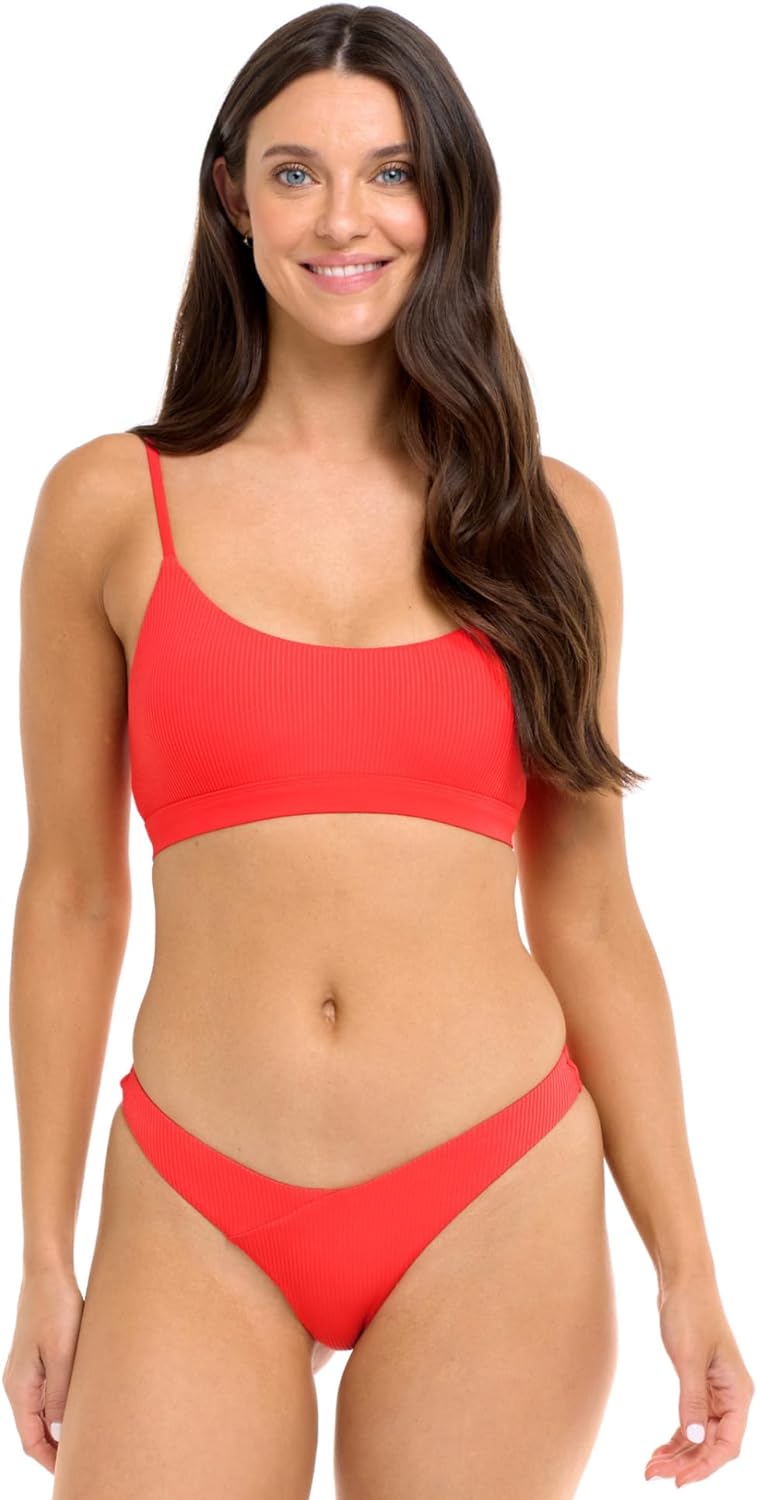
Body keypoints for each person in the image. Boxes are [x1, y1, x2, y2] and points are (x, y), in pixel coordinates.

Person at [3, 5, 753, 1496]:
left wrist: (688, 1264)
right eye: (295, 173)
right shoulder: (108, 503)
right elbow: (74, 895)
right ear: (233, 197)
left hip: (494, 1188)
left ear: (446, 198)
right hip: (197, 1189)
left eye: (390, 172)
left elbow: (592, 912)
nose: (343, 218)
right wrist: (42, 1251)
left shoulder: (551, 524)